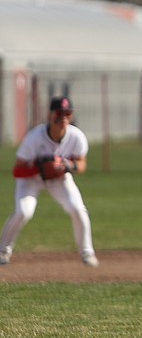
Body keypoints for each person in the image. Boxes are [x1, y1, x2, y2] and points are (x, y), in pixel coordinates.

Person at [1, 96, 98, 267]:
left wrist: (68, 165)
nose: (63, 118)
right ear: (50, 115)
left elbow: (82, 164)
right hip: (31, 179)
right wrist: (40, 168)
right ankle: (3, 251)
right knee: (23, 212)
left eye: (68, 113)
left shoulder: (76, 136)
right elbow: (17, 170)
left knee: (78, 209)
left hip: (60, 179)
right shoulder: (34, 137)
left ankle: (87, 252)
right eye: (59, 113)